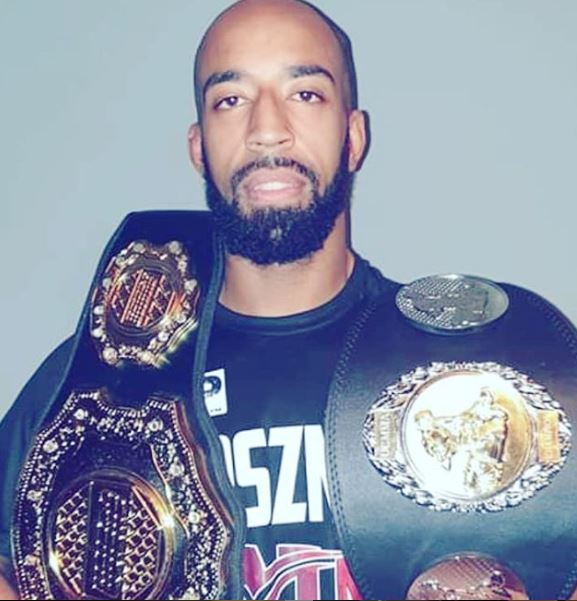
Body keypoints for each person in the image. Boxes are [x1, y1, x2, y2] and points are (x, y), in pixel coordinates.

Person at [1, 1, 577, 600]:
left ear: (353, 137)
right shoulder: (104, 378)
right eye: (231, 99)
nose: (267, 128)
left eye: (305, 94)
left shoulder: (470, 374)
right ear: (198, 147)